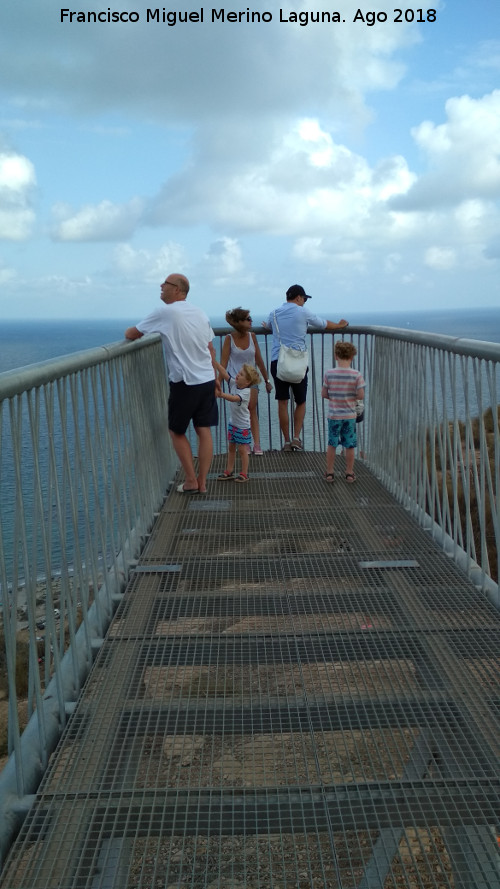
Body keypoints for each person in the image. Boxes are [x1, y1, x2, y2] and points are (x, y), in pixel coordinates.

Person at [124, 273, 218, 494]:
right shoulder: (200, 312)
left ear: (177, 289)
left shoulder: (165, 312)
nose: (161, 285)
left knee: (176, 431)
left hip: (185, 382)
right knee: (203, 430)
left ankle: (191, 481)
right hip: (206, 378)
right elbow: (210, 348)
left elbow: (132, 334)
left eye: (165, 283)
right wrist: (215, 378)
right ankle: (203, 483)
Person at [263, 284, 349, 451]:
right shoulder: (302, 312)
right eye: (303, 299)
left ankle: (286, 442)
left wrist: (267, 326)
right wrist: (339, 325)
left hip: (278, 361)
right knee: (300, 401)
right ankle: (296, 438)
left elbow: (268, 326)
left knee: (282, 402)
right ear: (298, 298)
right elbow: (323, 324)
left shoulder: (273, 313)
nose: (304, 302)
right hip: (297, 363)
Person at [220, 308, 272, 454]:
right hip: (234, 380)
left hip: (251, 379)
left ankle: (256, 444)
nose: (251, 321)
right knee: (238, 412)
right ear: (239, 322)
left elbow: (259, 360)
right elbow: (223, 364)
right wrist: (217, 382)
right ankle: (244, 443)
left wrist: (267, 380)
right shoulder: (229, 339)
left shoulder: (252, 336)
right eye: (248, 319)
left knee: (251, 409)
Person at [321, 340, 365, 483]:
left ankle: (329, 472)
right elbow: (361, 395)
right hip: (349, 415)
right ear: (352, 357)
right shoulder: (356, 375)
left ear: (336, 356)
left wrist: (334, 397)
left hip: (334, 415)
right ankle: (349, 473)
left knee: (332, 444)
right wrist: (351, 398)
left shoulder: (329, 374)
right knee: (350, 445)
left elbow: (324, 393)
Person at [214, 361, 262, 482]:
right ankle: (229, 471)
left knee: (242, 450)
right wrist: (214, 362)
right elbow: (225, 374)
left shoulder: (246, 392)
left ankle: (244, 473)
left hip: (243, 427)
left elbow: (234, 398)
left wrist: (221, 394)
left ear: (247, 382)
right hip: (233, 424)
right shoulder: (234, 384)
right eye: (239, 373)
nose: (237, 375)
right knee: (231, 448)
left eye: (241, 374)